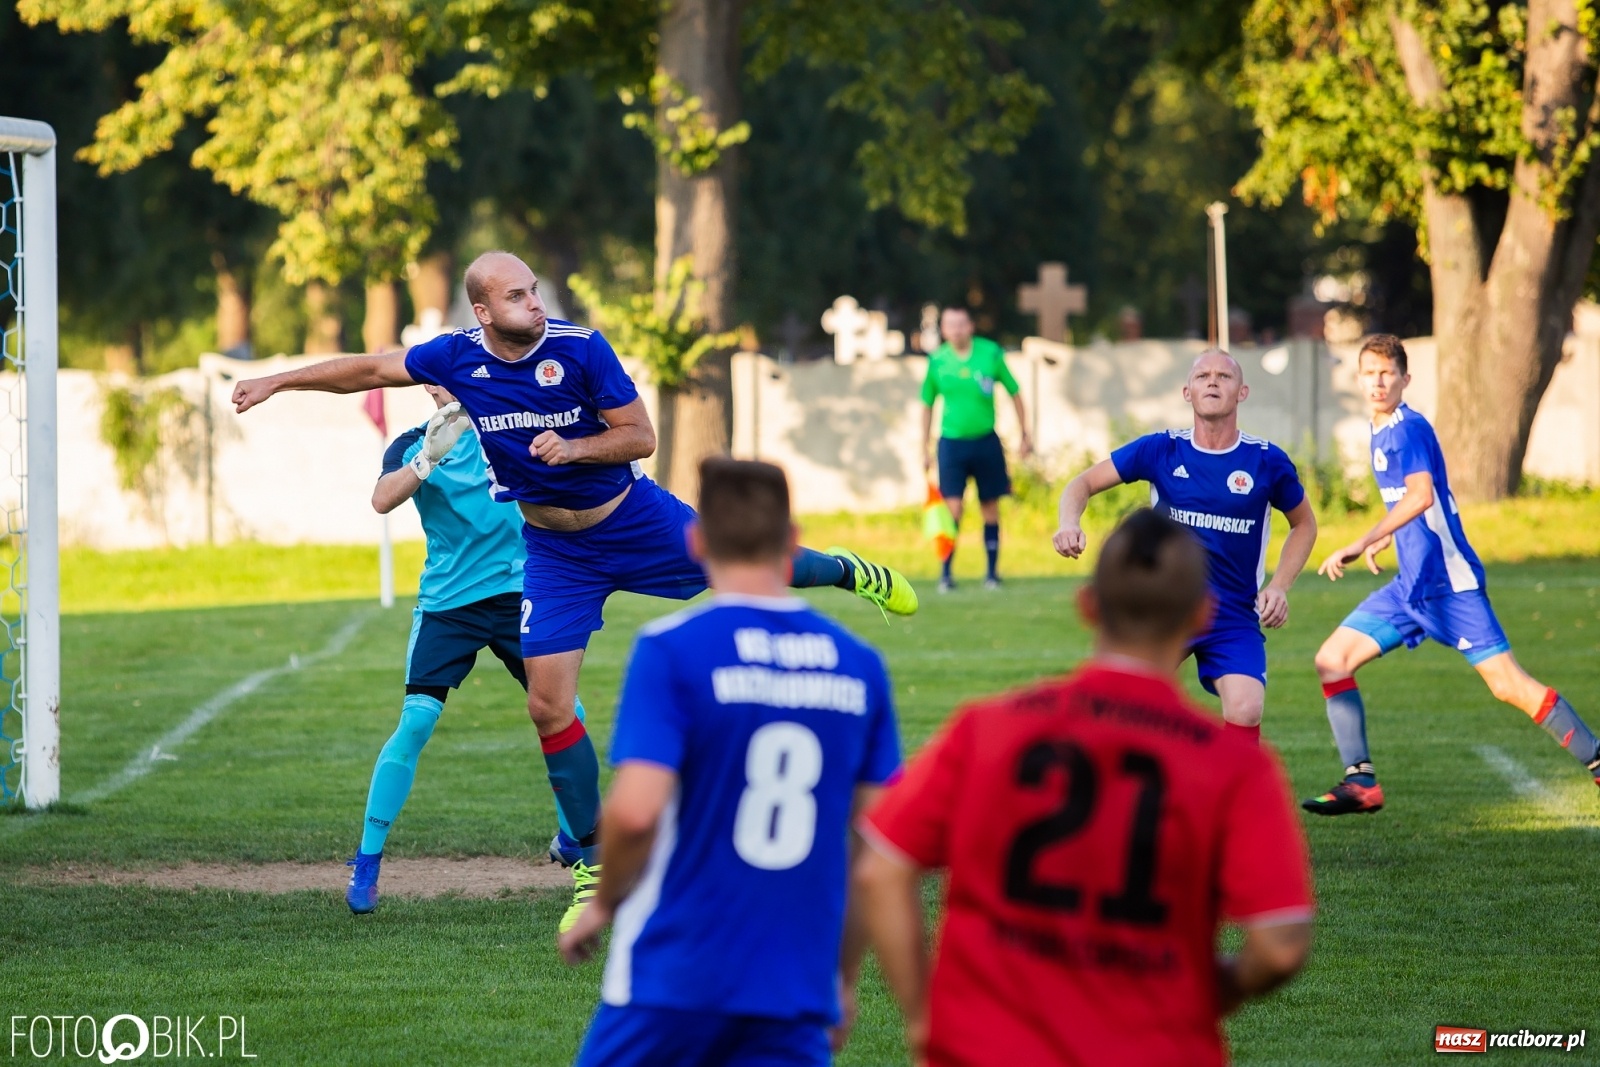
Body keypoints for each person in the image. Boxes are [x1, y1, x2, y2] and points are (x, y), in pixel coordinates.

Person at [231, 251, 916, 932]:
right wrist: (276, 381)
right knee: (548, 706)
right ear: (483, 311)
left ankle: (852, 572)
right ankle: (590, 868)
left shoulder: (582, 348)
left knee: (751, 561)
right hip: (557, 555)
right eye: (518, 296)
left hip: (634, 521)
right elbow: (369, 369)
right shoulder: (456, 358)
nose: (535, 303)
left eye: (535, 290)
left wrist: (574, 446)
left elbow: (640, 436)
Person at [854, 509, 1313, 1067]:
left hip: (986, 1049)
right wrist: (1223, 986)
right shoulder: (1236, 767)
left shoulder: (986, 729)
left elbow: (881, 868)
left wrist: (923, 1015)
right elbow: (1281, 945)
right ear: (1202, 614)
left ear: (1088, 605)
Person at [557, 457, 902, 1067]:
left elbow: (634, 814)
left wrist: (603, 904)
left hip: (673, 977)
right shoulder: (859, 664)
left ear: (696, 542)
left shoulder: (672, 649)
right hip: (793, 989)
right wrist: (842, 980)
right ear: (793, 542)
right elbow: (876, 847)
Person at [1303, 334, 1600, 814]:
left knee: (1510, 686)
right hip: (1411, 586)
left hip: (1449, 585)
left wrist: (1361, 540)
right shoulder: (1380, 429)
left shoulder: (1407, 428)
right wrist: (1386, 537)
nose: (1378, 382)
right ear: (1358, 379)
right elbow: (1412, 501)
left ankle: (1598, 760)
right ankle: (1361, 783)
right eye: (1370, 373)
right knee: (1332, 660)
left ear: (1405, 378)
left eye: (1387, 373)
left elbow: (1421, 495)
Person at [345, 384, 587, 914]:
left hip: (520, 593)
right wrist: (427, 461)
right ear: (430, 384)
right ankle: (367, 860)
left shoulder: (516, 429)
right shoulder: (415, 443)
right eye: (440, 374)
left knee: (569, 712)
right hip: (449, 604)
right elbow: (382, 499)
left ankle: (572, 836)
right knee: (415, 722)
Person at [1052, 349, 1317, 742]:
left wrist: (1279, 586)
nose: (1213, 382)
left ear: (1242, 392)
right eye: (1202, 376)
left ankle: (1232, 782)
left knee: (1246, 708)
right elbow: (1082, 483)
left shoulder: (1266, 461)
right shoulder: (1161, 449)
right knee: (1121, 705)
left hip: (1232, 611)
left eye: (1224, 376)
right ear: (1187, 392)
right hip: (1166, 606)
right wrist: (1068, 523)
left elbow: (1304, 524)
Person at [920, 306, 1033, 592]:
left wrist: (1025, 434)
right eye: (950, 325)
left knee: (990, 506)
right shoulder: (937, 361)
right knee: (952, 509)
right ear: (943, 330)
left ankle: (992, 574)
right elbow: (927, 404)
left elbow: (1015, 392)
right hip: (951, 443)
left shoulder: (990, 353)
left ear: (970, 326)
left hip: (985, 441)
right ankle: (946, 574)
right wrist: (924, 447)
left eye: (961, 324)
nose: (957, 330)